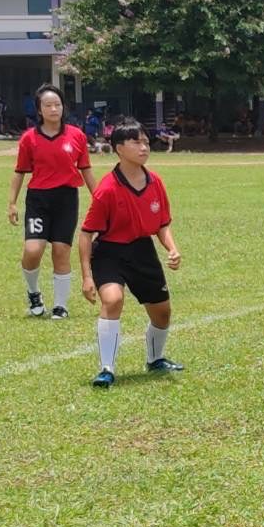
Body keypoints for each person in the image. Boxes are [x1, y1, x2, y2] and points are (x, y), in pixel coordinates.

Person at [76, 118, 183, 387]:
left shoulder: (155, 182)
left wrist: (172, 248)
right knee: (112, 301)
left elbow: (162, 224)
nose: (144, 147)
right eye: (136, 142)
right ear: (119, 149)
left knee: (162, 313)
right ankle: (107, 369)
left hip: (142, 251)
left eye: (146, 142)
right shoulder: (107, 189)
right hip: (109, 253)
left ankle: (155, 359)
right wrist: (87, 277)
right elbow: (86, 234)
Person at [8, 84, 97, 320]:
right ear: (39, 109)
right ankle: (33, 293)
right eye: (48, 105)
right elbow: (20, 172)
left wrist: (99, 199)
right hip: (38, 199)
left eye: (57, 104)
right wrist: (12, 203)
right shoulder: (29, 138)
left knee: (61, 251)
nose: (53, 109)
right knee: (32, 250)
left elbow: (86, 169)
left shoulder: (76, 136)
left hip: (66, 199)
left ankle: (60, 305)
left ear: (63, 107)